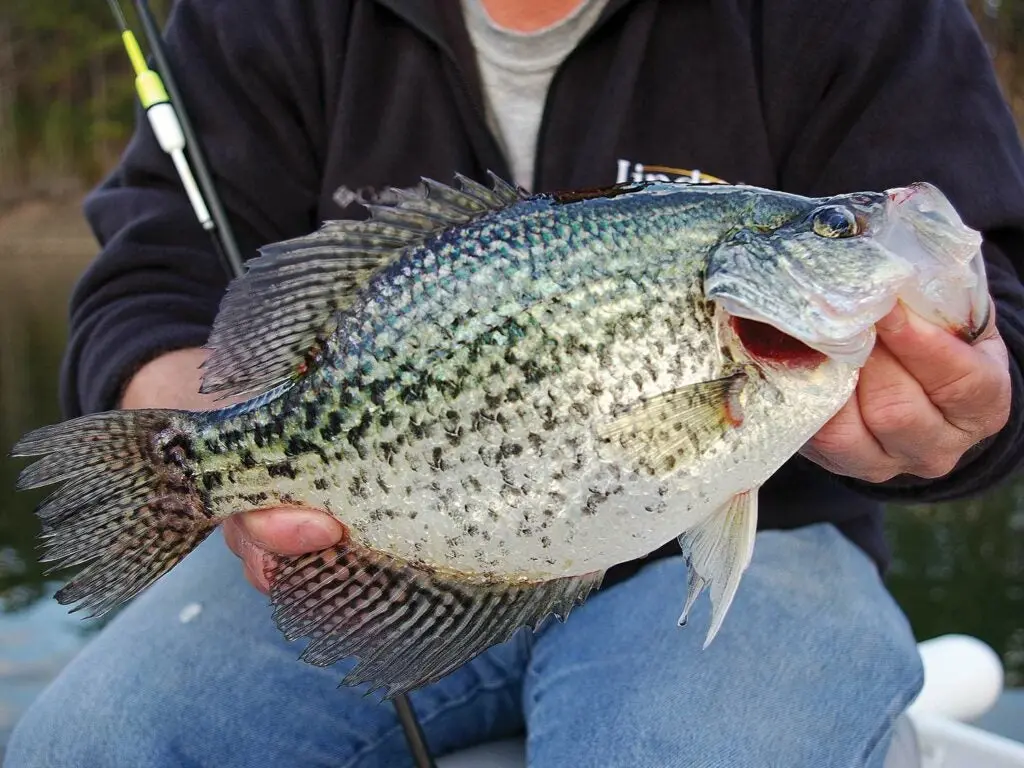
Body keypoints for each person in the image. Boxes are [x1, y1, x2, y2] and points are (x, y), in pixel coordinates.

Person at [6, 0, 1024, 765]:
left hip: (771, 545)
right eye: (836, 229)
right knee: (87, 744)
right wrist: (220, 455)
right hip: (403, 547)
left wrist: (972, 403)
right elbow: (152, 275)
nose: (862, 232)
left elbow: (1006, 310)